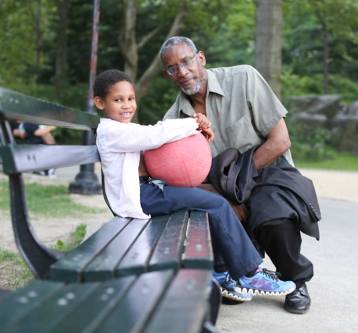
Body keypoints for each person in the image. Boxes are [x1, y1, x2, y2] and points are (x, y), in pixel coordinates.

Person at [94, 69, 295, 304]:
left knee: (208, 202)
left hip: (146, 191)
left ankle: (220, 272)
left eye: (130, 98)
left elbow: (153, 138)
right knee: (217, 204)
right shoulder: (111, 131)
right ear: (99, 103)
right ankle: (250, 274)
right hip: (140, 197)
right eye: (118, 100)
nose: (127, 105)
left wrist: (194, 126)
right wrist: (194, 122)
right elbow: (154, 135)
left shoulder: (121, 130)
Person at [160, 36, 321, 314]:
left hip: (268, 170)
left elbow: (280, 141)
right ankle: (240, 274)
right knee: (211, 211)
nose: (182, 72)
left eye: (186, 61)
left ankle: (295, 280)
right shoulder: (172, 121)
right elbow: (181, 179)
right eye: (173, 68)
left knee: (272, 213)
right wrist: (225, 197)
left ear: (201, 58)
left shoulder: (244, 78)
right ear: (168, 75)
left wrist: (238, 185)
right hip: (220, 187)